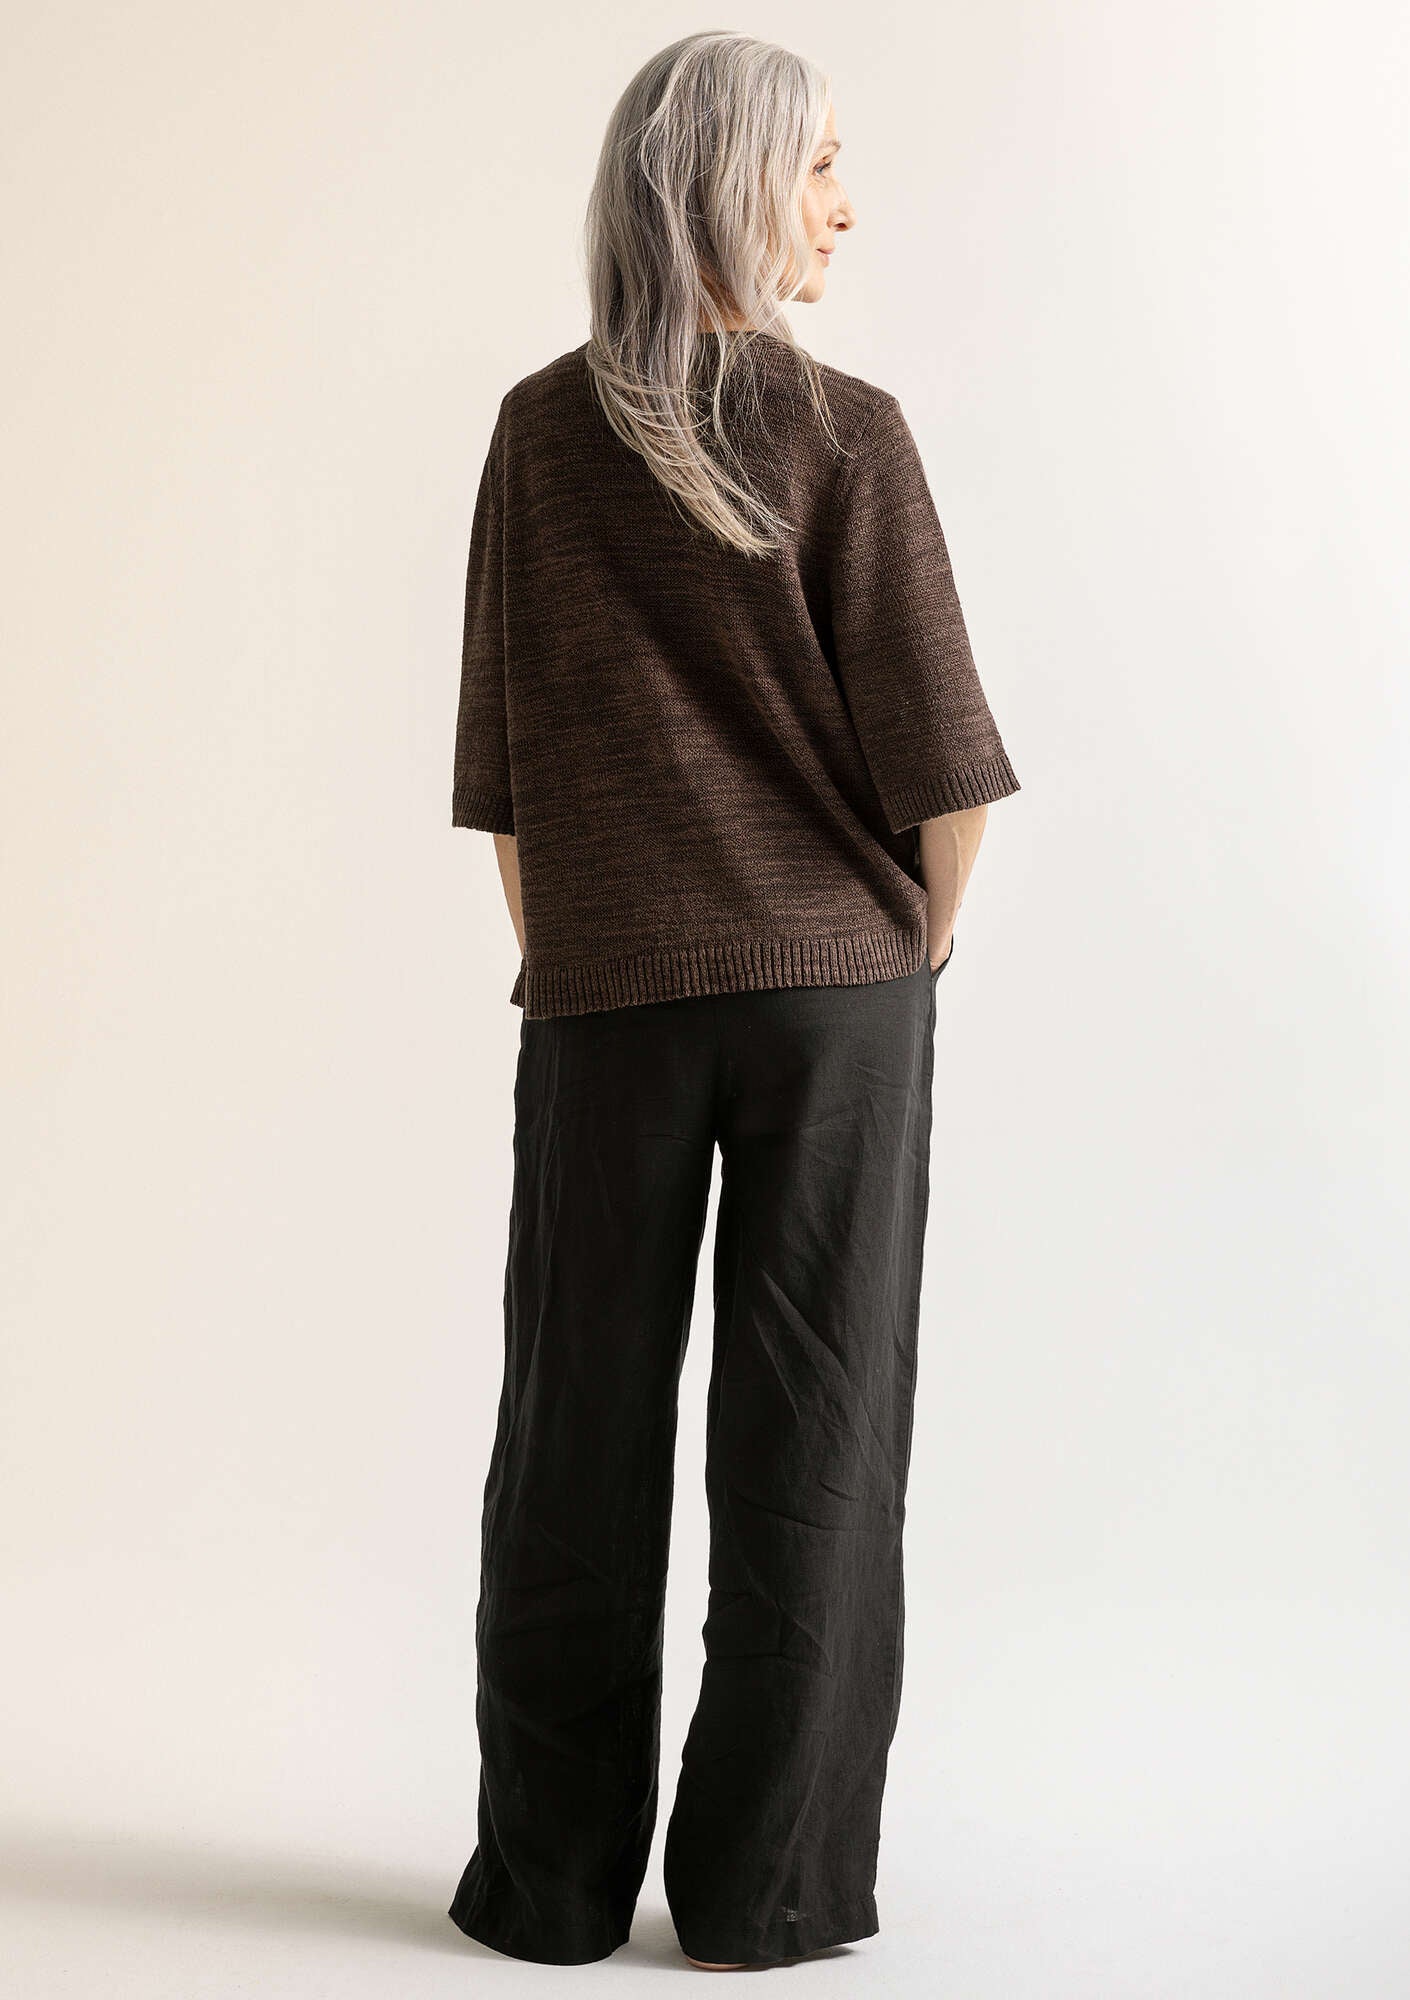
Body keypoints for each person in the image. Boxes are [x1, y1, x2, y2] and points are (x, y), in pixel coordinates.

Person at [445, 30, 1021, 1974]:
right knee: (817, 1441)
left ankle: (548, 1889)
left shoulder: (536, 436)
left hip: (602, 992)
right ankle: (766, 1895)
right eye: (823, 165)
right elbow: (945, 778)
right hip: (837, 1002)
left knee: (572, 1429)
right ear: (730, 183)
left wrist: (588, 950)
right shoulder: (848, 430)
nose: (847, 206)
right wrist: (907, 954)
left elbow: (508, 785)